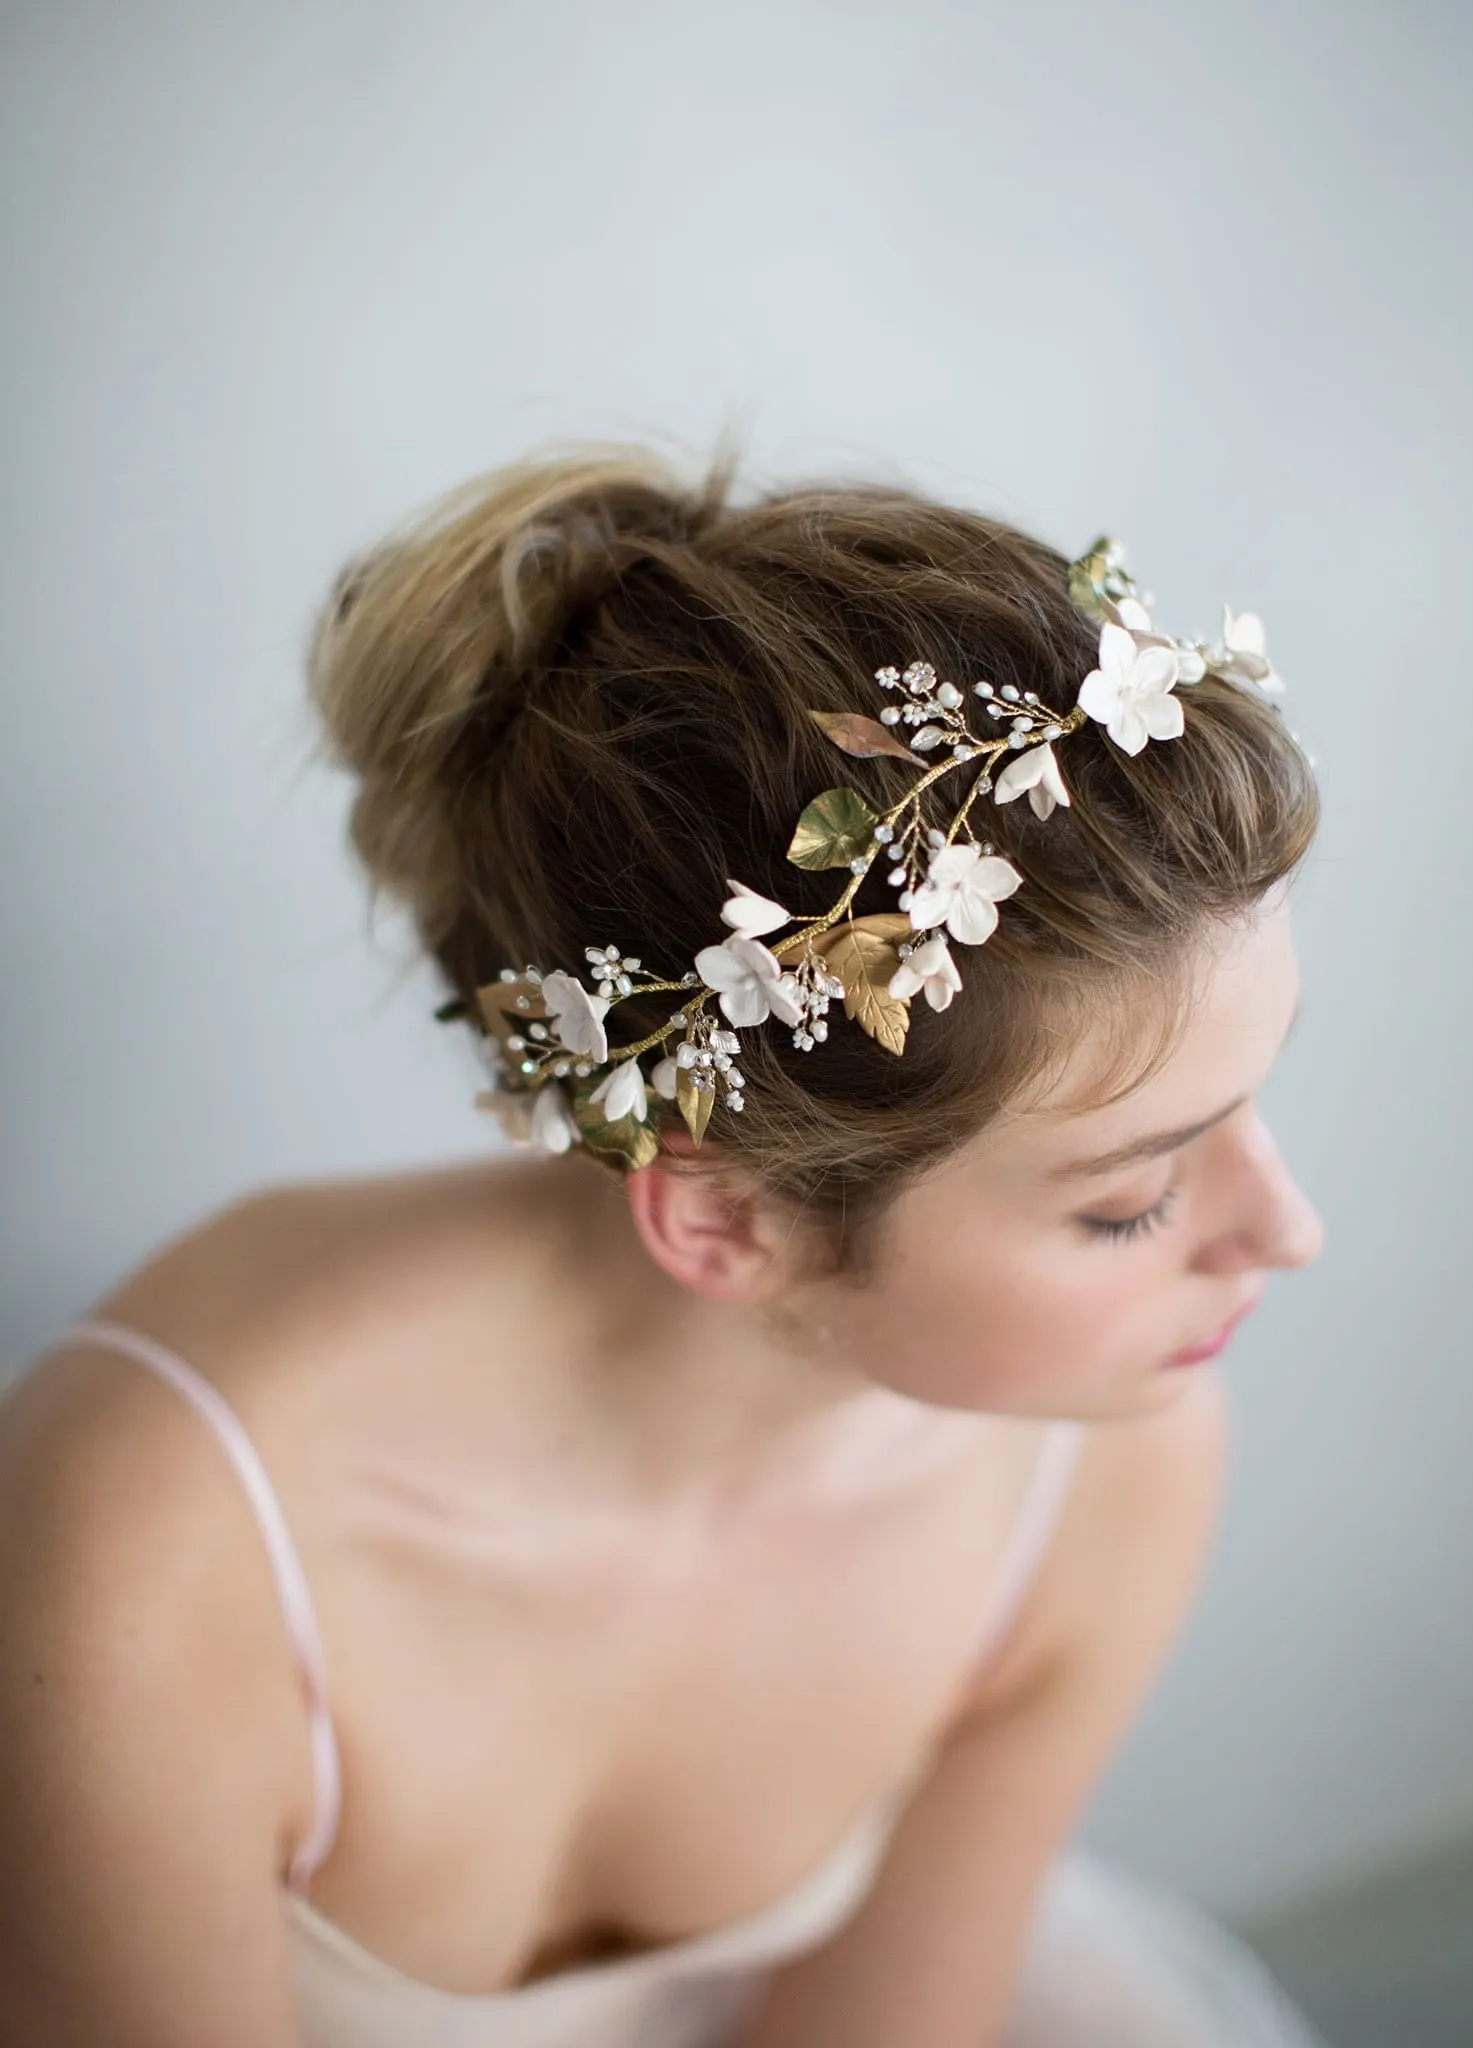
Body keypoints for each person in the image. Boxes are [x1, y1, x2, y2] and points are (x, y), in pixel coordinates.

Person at [0, 448, 1333, 2047]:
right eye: (1131, 1197)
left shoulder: (1111, 1463)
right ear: (724, 1217)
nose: (1290, 1233)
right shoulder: (163, 1546)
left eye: (1247, 1112)